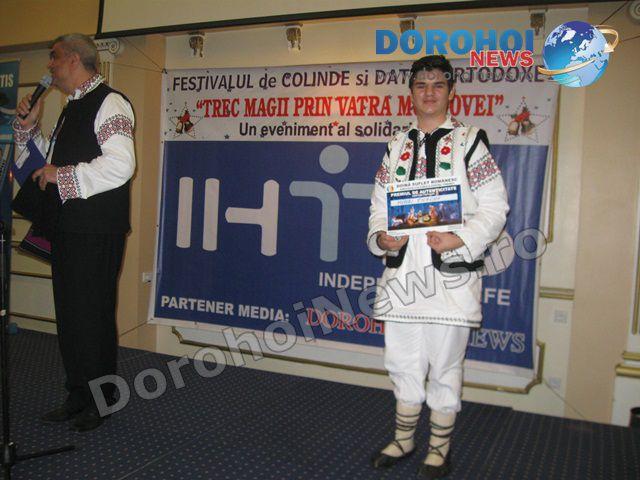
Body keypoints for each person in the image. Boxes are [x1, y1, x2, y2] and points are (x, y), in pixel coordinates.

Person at [367, 55, 508, 478]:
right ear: (410, 92)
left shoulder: (469, 142)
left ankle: (439, 448)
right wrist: (382, 238)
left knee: (445, 365)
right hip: (403, 277)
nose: (429, 92)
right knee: (401, 361)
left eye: (438, 85)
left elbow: (495, 207)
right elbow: (378, 208)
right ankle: (404, 438)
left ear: (450, 91)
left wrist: (459, 239)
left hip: (449, 279)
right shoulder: (396, 146)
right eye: (421, 85)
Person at [13, 33, 135, 432]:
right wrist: (30, 129)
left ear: (74, 60)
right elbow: (48, 164)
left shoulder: (110, 103)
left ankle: (101, 398)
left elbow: (121, 165)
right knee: (70, 314)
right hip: (70, 227)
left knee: (92, 313)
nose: (49, 65)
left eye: (54, 57)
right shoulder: (72, 107)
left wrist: (62, 175)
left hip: (97, 229)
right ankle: (78, 393)